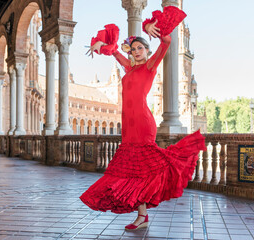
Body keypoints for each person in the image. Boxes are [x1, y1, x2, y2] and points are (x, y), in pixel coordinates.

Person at [80, 6, 206, 231]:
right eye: (134, 48)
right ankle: (143, 215)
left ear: (147, 51)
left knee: (143, 168)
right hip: (128, 125)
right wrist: (99, 46)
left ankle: (143, 214)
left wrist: (149, 26)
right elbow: (113, 52)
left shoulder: (149, 67)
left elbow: (166, 43)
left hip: (143, 124)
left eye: (141, 48)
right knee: (134, 170)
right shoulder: (128, 68)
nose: (137, 51)